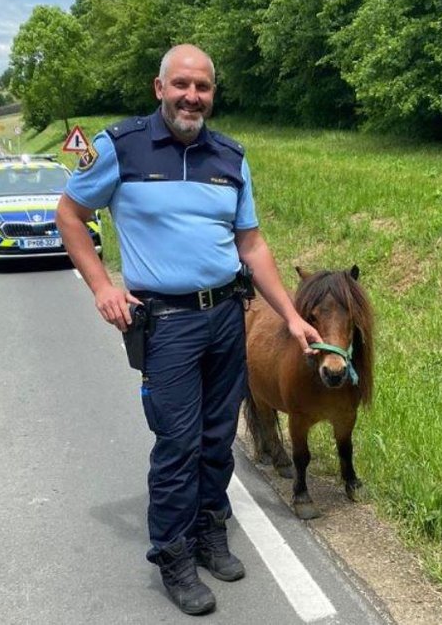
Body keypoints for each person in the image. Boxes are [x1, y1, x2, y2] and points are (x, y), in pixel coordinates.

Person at [56, 44, 322, 616]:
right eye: (181, 85)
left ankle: (209, 533)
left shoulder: (230, 156)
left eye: (202, 87)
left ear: (212, 94)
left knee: (217, 436)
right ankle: (173, 554)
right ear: (160, 89)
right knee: (177, 444)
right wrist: (103, 286)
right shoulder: (120, 147)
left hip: (229, 316)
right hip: (167, 324)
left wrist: (294, 316)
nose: (191, 96)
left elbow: (251, 244)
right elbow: (70, 215)